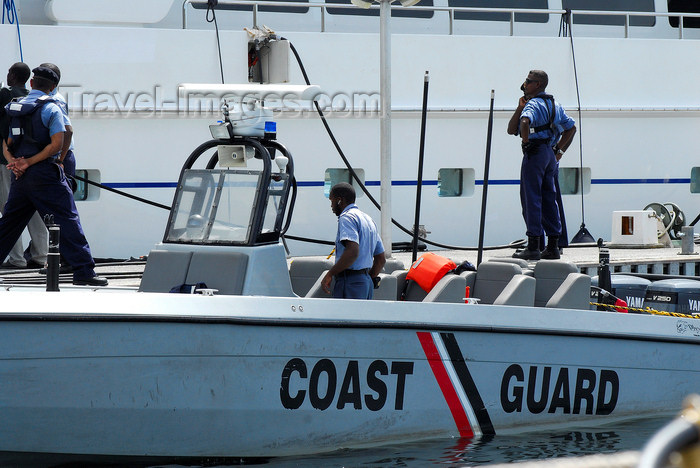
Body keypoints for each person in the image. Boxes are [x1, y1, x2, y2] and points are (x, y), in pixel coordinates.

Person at [0, 66, 107, 286]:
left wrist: (15, 163)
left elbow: (6, 143)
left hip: (20, 177)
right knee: (67, 219)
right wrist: (47, 162)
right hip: (45, 174)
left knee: (9, 224)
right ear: (53, 87)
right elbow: (57, 143)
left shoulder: (14, 106)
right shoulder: (52, 108)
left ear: (31, 83)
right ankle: (84, 272)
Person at [507, 70, 576, 261]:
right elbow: (571, 127)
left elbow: (522, 123)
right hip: (550, 154)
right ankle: (553, 246)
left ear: (537, 84)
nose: (524, 84)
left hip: (536, 153)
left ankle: (533, 246)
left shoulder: (533, 104)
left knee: (531, 199)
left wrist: (525, 143)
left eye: (528, 81)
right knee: (549, 199)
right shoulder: (555, 104)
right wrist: (559, 151)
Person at [0, 62, 48, 269]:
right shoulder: (32, 98)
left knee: (9, 210)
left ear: (11, 75)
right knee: (33, 208)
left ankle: (17, 259)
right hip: (30, 161)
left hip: (7, 161)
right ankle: (41, 255)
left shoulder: (4, 94)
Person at [321, 182, 386, 299]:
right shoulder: (368, 219)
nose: (331, 205)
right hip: (366, 283)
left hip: (349, 282)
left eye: (332, 201)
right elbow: (381, 259)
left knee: (346, 317)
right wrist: (367, 280)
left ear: (340, 200)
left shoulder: (346, 218)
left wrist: (330, 274)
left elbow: (352, 252)